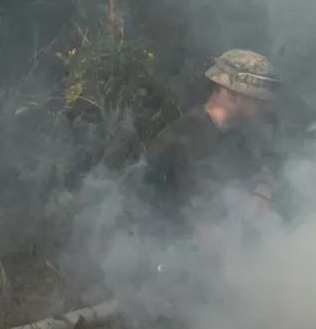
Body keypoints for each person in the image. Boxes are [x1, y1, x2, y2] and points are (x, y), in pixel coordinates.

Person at [103, 48, 282, 228]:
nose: (267, 104)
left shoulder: (238, 131)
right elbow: (200, 222)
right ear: (233, 96)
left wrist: (262, 189)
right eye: (258, 98)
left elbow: (270, 163)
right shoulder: (186, 139)